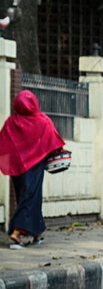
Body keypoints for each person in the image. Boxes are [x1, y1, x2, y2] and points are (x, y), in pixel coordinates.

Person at [0, 90, 65, 248]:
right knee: (30, 196)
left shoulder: (12, 122)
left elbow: (4, 143)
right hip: (35, 167)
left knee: (25, 196)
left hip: (18, 168)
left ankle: (37, 234)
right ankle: (16, 232)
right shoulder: (42, 120)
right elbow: (53, 138)